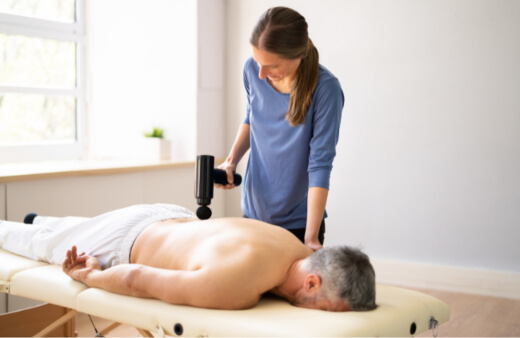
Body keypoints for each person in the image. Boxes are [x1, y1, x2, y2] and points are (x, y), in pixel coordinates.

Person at [0, 204, 376, 312]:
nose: (321, 316)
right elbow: (137, 279)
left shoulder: (296, 247)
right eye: (327, 309)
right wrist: (90, 277)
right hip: (126, 243)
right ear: (312, 281)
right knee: (37, 244)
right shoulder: (236, 285)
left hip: (168, 214)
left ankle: (45, 219)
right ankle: (25, 227)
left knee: (72, 229)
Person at [217, 7, 344, 251]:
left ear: (297, 55)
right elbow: (252, 117)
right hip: (253, 217)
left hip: (298, 227)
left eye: (272, 66)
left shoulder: (326, 90)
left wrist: (311, 238)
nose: (261, 73)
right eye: (257, 62)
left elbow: (320, 163)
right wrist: (231, 161)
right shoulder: (252, 71)